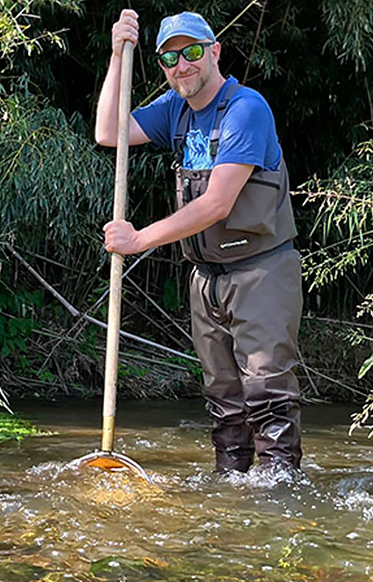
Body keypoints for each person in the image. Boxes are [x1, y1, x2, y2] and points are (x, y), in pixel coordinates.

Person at [94, 9, 303, 472]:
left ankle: (279, 500)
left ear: (214, 51)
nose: (181, 65)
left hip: (261, 272)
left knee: (266, 393)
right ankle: (231, 493)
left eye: (190, 53)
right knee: (224, 400)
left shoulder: (246, 108)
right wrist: (116, 56)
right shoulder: (175, 110)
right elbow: (110, 133)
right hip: (206, 278)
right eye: (169, 58)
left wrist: (137, 239)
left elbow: (217, 204)